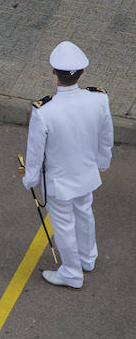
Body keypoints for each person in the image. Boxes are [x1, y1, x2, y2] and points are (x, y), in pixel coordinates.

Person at [22, 41, 114, 289]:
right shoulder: (99, 99)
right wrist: (102, 163)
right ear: (83, 73)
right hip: (87, 175)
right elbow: (106, 138)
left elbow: (35, 152)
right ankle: (88, 259)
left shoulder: (44, 111)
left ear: (54, 73)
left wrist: (30, 179)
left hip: (59, 182)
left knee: (63, 226)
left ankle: (72, 274)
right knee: (84, 213)